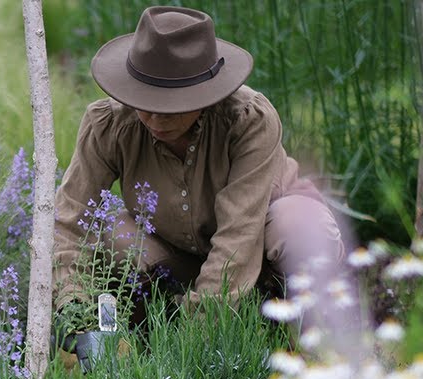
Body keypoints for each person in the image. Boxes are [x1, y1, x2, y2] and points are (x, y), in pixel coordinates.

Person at [53, 5, 343, 344]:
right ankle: (152, 329)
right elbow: (70, 221)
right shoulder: (109, 124)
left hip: (263, 248)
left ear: (206, 95)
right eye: (145, 102)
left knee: (297, 225)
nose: (155, 119)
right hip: (183, 259)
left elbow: (239, 234)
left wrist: (195, 340)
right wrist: (75, 313)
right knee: (113, 233)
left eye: (170, 107)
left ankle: (305, 334)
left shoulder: (248, 121)